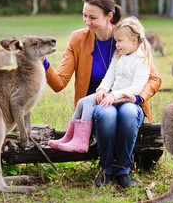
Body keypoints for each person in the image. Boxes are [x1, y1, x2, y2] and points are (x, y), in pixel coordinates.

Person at [44, 0, 161, 188]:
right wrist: (43, 64)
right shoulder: (77, 40)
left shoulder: (130, 36)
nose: (86, 22)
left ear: (109, 16)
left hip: (129, 100)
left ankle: (123, 170)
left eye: (92, 17)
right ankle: (106, 170)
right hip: (98, 104)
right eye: (84, 15)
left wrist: (138, 98)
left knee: (129, 113)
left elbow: (154, 79)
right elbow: (59, 83)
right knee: (106, 115)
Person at [48, 16, 150, 154]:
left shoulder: (138, 54)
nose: (117, 44)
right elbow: (109, 75)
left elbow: (143, 83)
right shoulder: (119, 53)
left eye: (92, 17)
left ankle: (81, 141)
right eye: (84, 15)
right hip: (111, 94)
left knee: (92, 105)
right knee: (82, 102)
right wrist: (102, 89)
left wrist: (124, 96)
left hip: (123, 98)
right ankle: (69, 137)